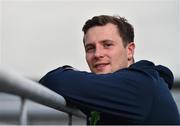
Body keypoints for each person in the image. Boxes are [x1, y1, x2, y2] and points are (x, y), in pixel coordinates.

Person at [39, 15, 180, 124]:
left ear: (129, 51)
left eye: (107, 45)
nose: (97, 54)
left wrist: (70, 73)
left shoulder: (141, 85)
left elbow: (54, 81)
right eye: (90, 48)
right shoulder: (108, 93)